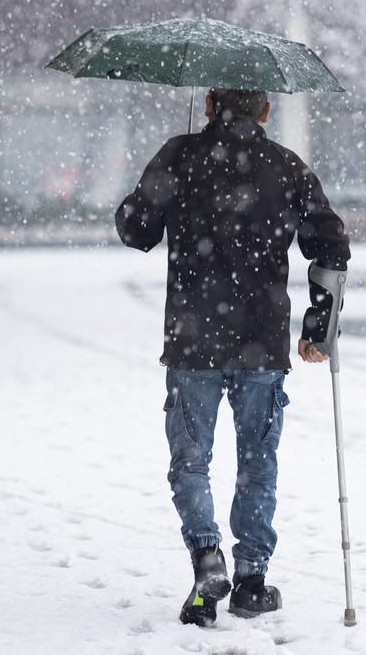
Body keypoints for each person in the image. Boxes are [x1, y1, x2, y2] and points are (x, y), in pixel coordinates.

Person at [115, 87, 350, 627]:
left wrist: (154, 191)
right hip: (261, 341)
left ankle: (206, 557)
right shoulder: (288, 167)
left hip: (193, 338)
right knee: (257, 461)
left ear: (210, 104)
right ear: (265, 111)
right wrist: (319, 327)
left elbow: (135, 231)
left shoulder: (179, 155)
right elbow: (331, 247)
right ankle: (251, 581)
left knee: (190, 460)